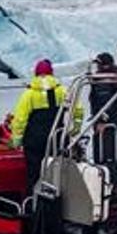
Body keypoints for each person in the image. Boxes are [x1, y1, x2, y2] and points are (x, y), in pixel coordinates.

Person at [11, 59, 84, 197]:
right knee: (58, 173)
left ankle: (32, 204)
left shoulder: (29, 95)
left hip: (34, 141)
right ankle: (60, 204)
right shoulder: (62, 91)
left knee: (34, 173)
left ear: (36, 74)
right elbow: (78, 109)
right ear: (51, 73)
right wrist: (75, 127)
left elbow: (20, 120)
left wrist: (17, 140)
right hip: (56, 139)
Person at [88, 52, 117, 189]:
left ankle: (110, 190)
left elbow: (104, 101)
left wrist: (101, 120)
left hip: (108, 126)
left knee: (106, 159)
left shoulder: (104, 80)